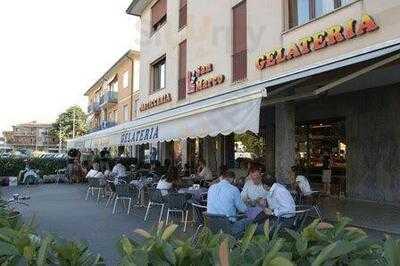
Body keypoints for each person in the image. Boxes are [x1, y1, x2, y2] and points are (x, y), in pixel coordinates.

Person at [207, 168, 251, 238]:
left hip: (212, 225)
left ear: (222, 178)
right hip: (228, 227)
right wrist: (254, 208)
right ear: (233, 179)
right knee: (252, 217)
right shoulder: (233, 189)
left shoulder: (211, 187)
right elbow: (243, 209)